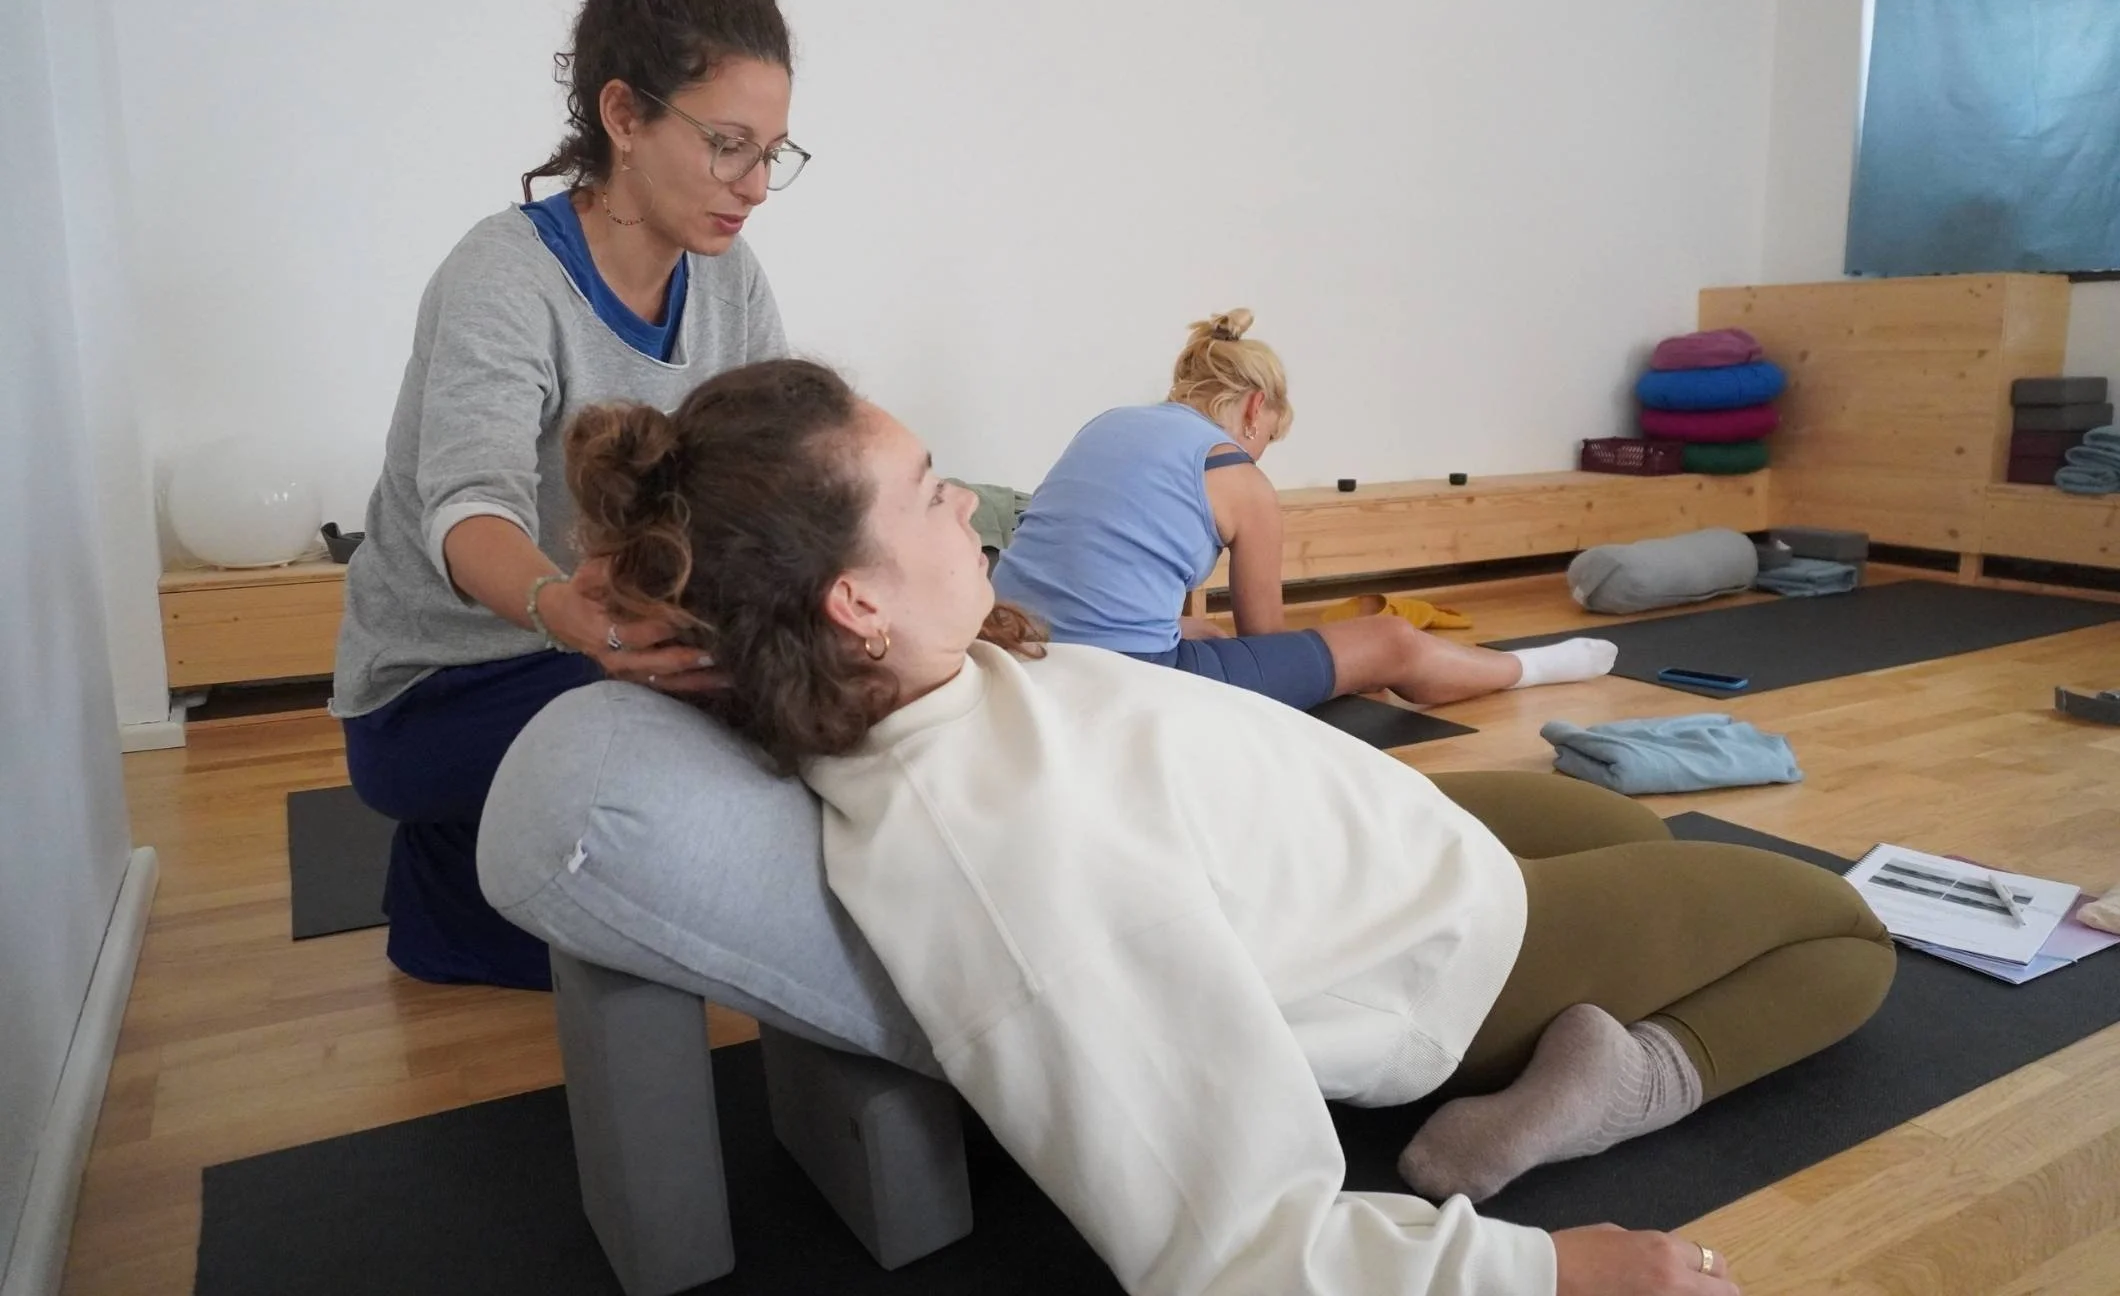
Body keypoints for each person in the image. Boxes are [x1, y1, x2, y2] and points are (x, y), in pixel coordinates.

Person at [562, 357, 1897, 1296]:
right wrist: (1548, 1272)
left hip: (1373, 841)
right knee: (1842, 935)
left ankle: (1591, 1020)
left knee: (1633, 833)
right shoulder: (997, 852)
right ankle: (1590, 1094)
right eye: (930, 492)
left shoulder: (926, 670)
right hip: (1429, 946)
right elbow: (1237, 1251)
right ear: (854, 603)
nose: (970, 501)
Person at [330, 0, 808, 989]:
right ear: (625, 116)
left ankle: (457, 889)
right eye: (728, 145)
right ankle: (478, 843)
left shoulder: (728, 280)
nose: (755, 187)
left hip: (594, 652)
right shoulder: (505, 276)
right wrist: (566, 610)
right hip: (441, 689)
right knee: (732, 728)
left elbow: (768, 472)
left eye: (773, 152)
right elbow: (470, 510)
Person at [991, 310, 1621, 711]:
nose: (1261, 453)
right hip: (1119, 684)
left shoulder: (1108, 424)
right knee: (1391, 640)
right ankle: (1529, 669)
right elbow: (1264, 639)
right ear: (1253, 408)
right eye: (1269, 436)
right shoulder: (1238, 478)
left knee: (1206, 631)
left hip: (1016, 648)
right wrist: (1347, 662)